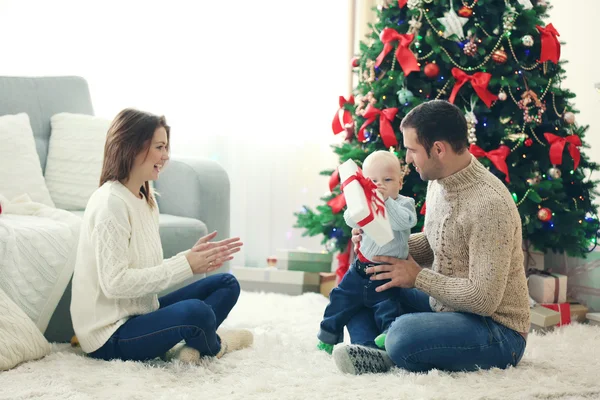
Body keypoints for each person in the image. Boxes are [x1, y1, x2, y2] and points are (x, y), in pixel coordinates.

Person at [332, 100, 530, 375]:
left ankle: (392, 345)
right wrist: (379, 244)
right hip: (447, 305)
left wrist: (417, 277)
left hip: (496, 329)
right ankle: (370, 349)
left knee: (403, 334)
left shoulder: (489, 205)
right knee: (365, 287)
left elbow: (484, 299)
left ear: (438, 149)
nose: (408, 159)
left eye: (412, 150)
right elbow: (437, 240)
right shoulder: (438, 181)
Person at [70, 108, 252, 363]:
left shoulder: (146, 198)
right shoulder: (111, 203)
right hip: (109, 335)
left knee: (227, 284)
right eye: (159, 147)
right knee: (198, 313)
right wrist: (185, 265)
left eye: (166, 147)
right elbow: (115, 283)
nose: (166, 156)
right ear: (132, 146)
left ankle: (190, 345)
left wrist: (190, 257)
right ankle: (216, 345)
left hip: (141, 312)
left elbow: (146, 270)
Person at [317, 150, 417, 354]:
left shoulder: (403, 204)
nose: (380, 185)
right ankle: (329, 335)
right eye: (373, 180)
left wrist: (385, 201)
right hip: (360, 269)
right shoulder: (367, 203)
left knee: (388, 306)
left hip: (385, 273)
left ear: (399, 183)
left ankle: (389, 335)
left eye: (388, 179)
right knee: (339, 299)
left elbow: (402, 223)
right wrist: (360, 200)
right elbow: (350, 219)